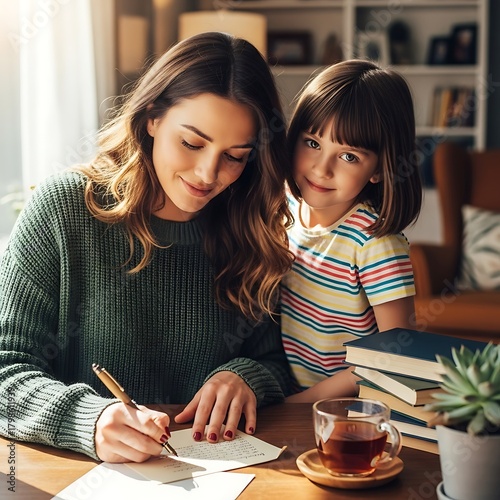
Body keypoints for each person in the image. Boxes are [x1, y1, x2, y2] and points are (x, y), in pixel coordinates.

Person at [0, 32, 294, 463]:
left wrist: (245, 376)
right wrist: (90, 420)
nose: (208, 173)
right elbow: (6, 369)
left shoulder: (249, 229)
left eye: (235, 156)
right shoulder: (65, 210)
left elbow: (279, 361)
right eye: (192, 143)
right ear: (152, 117)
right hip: (79, 477)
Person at [281, 59, 422, 402]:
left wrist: (300, 403)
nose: (321, 168)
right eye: (312, 143)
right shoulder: (284, 210)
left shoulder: (374, 242)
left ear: (378, 169)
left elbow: (395, 352)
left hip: (349, 407)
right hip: (287, 390)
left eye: (348, 157)